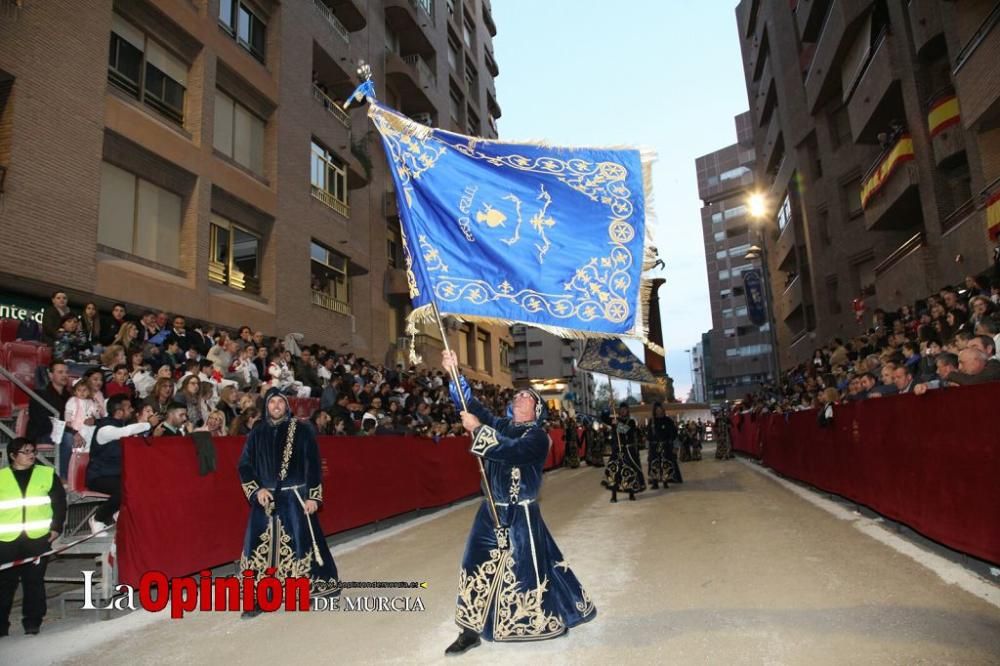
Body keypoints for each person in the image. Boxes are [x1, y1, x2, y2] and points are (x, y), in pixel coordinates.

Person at [441, 350, 595, 654]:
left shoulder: (539, 437)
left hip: (521, 515)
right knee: (474, 565)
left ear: (537, 409)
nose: (519, 399)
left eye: (527, 397)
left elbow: (513, 452)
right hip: (491, 510)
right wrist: (453, 372)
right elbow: (470, 404)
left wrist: (477, 430)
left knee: (525, 570)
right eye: (518, 396)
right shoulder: (502, 425)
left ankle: (531, 621)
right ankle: (470, 630)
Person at [237, 389, 339, 619]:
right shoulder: (256, 433)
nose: (275, 406)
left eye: (280, 402)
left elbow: (312, 465)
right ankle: (259, 598)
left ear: (286, 406)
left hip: (295, 499)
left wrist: (313, 496)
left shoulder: (302, 430)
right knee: (257, 548)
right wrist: (256, 490)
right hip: (265, 499)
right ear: (266, 406)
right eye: (271, 402)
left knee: (303, 543)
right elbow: (244, 465)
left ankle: (313, 588)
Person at [0, 438, 67, 637]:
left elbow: (59, 502)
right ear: (12, 456)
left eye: (33, 450)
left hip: (37, 538)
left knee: (34, 582)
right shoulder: (1, 477)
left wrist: (56, 528)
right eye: (25, 451)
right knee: (4, 585)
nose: (31, 455)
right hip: (6, 540)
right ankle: (1, 625)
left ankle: (32, 622)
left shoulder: (46, 474)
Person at [87, 395, 153, 533]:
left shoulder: (121, 426)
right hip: (99, 476)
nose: (132, 410)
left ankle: (120, 513)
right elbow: (124, 433)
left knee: (142, 484)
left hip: (116, 474)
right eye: (128, 407)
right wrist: (148, 424)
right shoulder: (105, 429)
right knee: (125, 488)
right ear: (119, 412)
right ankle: (98, 518)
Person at [602, 402, 646, 502]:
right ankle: (614, 495)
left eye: (625, 409)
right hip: (617, 450)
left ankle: (631, 493)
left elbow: (627, 431)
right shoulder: (614, 420)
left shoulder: (631, 422)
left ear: (627, 410)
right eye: (621, 409)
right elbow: (603, 418)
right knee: (614, 472)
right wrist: (607, 407)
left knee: (629, 471)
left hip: (628, 451)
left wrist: (618, 425)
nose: (623, 411)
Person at [648, 402, 679, 488]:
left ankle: (666, 481)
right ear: (655, 411)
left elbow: (674, 434)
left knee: (665, 463)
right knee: (655, 464)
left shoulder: (668, 421)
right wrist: (649, 446)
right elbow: (649, 435)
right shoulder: (652, 421)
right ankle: (655, 482)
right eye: (657, 410)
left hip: (666, 445)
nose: (659, 411)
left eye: (660, 409)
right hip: (654, 447)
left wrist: (675, 446)